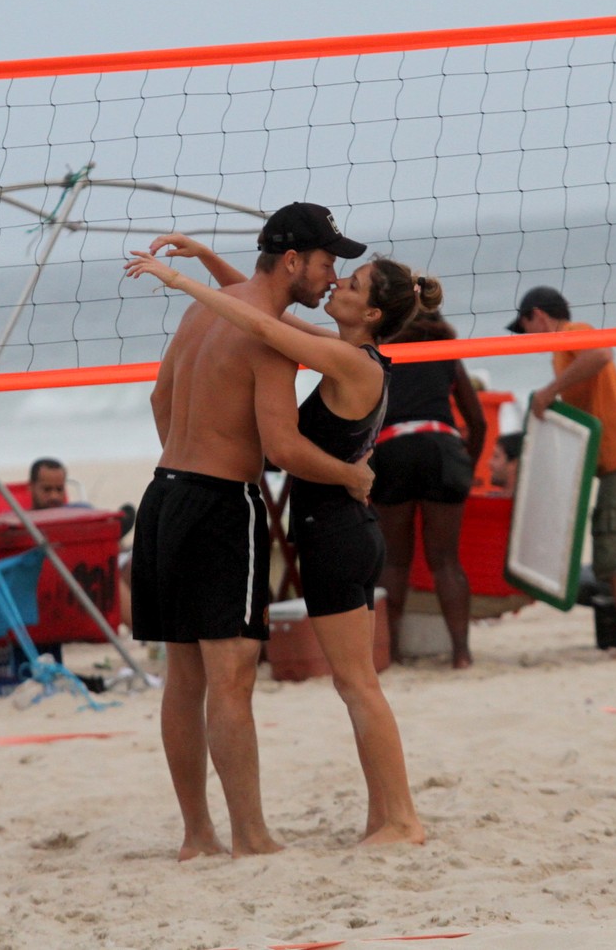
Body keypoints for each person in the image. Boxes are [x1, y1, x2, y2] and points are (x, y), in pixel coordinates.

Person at [126, 220, 434, 847]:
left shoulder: (347, 358)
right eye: (331, 266)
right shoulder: (313, 340)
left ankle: (394, 818)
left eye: (349, 279)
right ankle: (262, 832)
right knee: (250, 680)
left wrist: (185, 280)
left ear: (371, 311)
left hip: (196, 500)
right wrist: (203, 263)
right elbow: (262, 321)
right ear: (293, 260)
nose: (335, 279)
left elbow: (250, 327)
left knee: (346, 682)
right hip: (267, 514)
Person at [509, 285, 616, 659]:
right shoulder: (563, 349)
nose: (527, 337)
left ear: (539, 316)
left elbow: (601, 353)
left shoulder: (573, 332)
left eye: (525, 326)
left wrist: (550, 391)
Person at [369, 311, 486, 668]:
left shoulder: (377, 351)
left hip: (394, 447)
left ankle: (391, 653)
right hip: (442, 447)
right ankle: (461, 655)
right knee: (447, 561)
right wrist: (467, 464)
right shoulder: (444, 349)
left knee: (394, 561)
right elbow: (477, 422)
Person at [488, 431, 523, 497]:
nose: (490, 463)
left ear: (514, 464)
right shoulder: (488, 502)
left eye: (496, 456)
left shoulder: (530, 505)